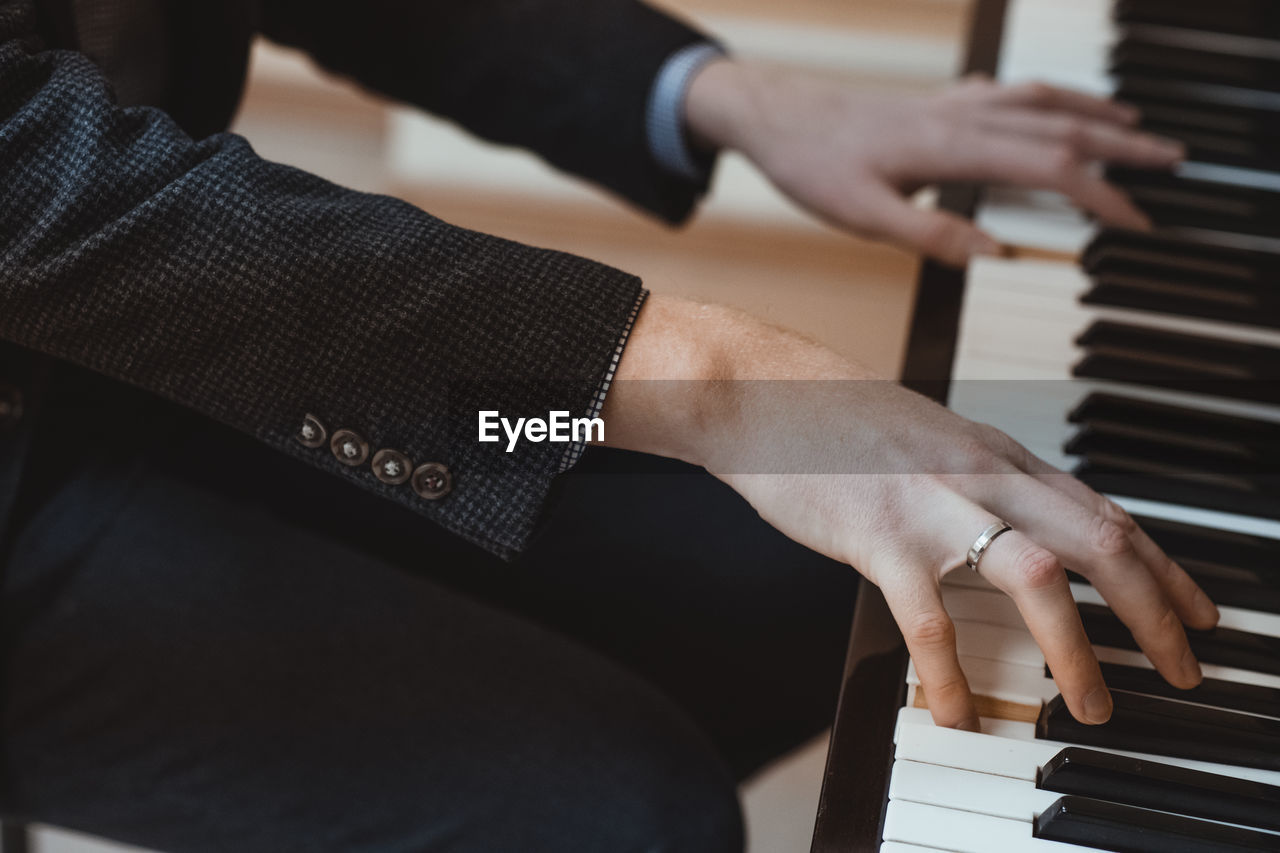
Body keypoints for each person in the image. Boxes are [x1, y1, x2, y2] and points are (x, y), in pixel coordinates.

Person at [0, 1, 1214, 850]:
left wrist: (729, 97)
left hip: (231, 351)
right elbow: (40, 183)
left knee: (810, 586)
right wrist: (729, 388)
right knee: (620, 818)